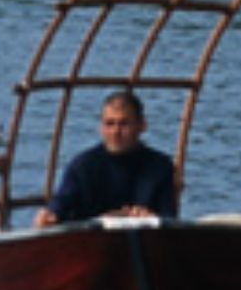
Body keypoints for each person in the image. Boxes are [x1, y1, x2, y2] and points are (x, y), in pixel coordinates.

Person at [35, 88, 179, 227]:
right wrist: (50, 215)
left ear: (141, 126)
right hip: (92, 239)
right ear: (101, 128)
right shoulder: (83, 166)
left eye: (124, 124)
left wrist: (150, 217)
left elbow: (168, 219)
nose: (116, 132)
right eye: (110, 124)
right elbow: (62, 202)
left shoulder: (160, 167)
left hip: (145, 238)